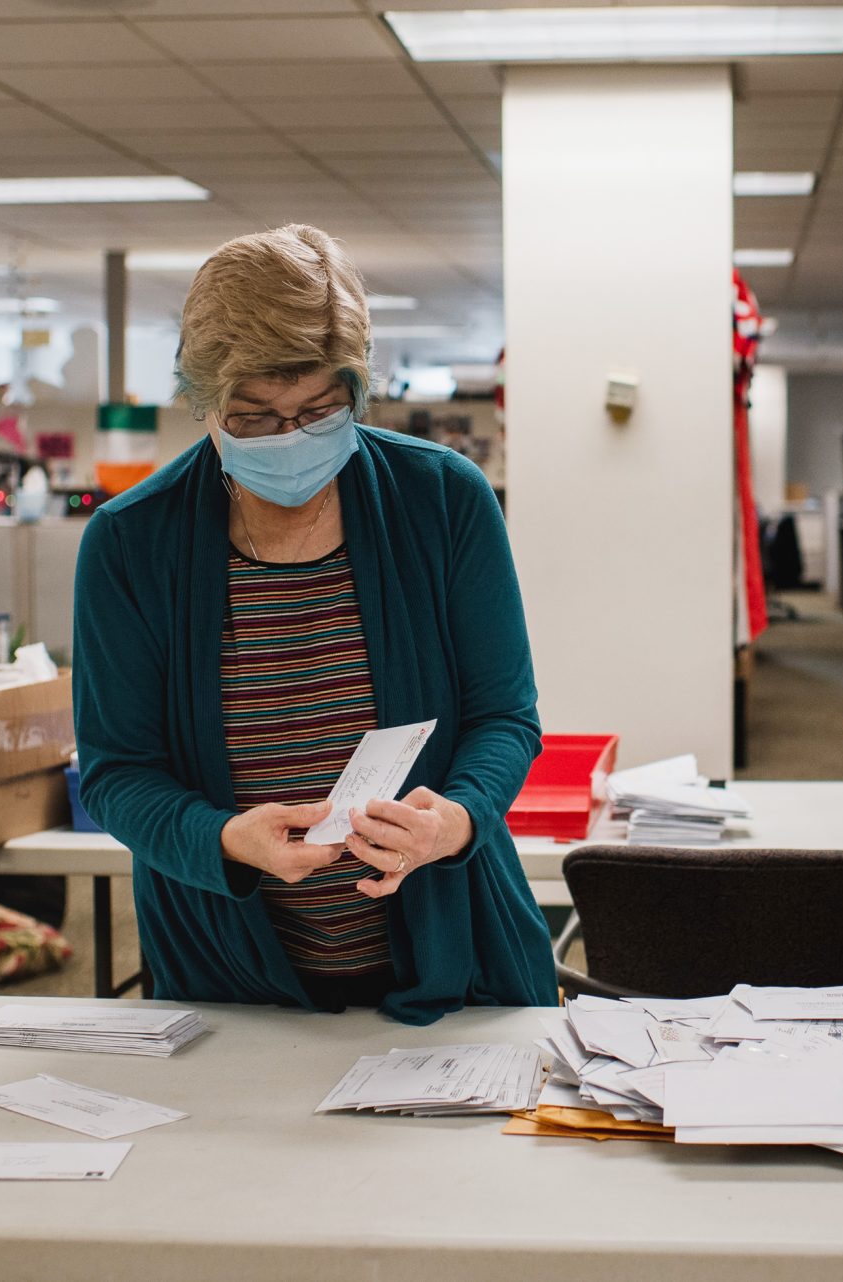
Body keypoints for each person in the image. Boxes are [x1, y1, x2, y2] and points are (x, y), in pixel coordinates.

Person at [72, 224, 555, 1024]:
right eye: (254, 417)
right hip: (229, 971)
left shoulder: (443, 500)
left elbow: (505, 716)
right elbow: (118, 772)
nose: (289, 438)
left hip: (451, 954)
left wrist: (456, 819)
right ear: (204, 403)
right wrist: (225, 838)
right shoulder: (132, 542)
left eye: (321, 409)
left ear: (357, 390)